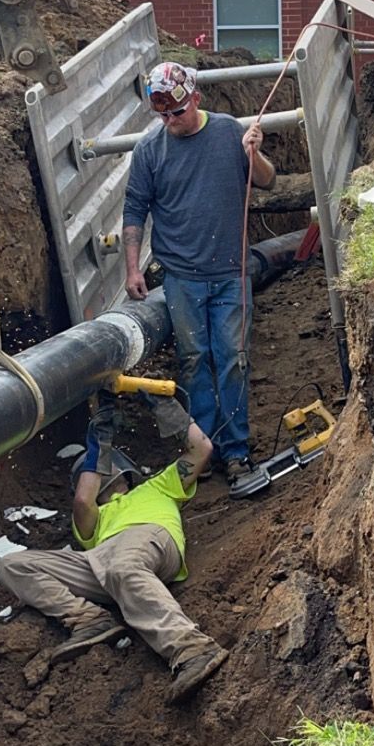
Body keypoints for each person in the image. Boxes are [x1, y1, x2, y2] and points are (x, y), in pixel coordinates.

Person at [0, 413, 228, 702]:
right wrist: (98, 443)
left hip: (147, 540)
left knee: (122, 566)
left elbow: (201, 448)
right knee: (13, 566)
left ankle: (193, 648)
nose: (99, 475)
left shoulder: (156, 486)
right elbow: (82, 501)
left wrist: (171, 409)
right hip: (102, 561)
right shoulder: (91, 517)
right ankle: (89, 619)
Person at [122, 59, 275, 488]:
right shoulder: (149, 151)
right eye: (162, 115)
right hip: (181, 276)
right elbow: (134, 209)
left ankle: (237, 453)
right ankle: (203, 447)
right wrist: (133, 267)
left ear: (196, 99)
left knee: (233, 359)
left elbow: (267, 180)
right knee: (194, 361)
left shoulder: (229, 132)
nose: (170, 121)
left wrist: (254, 153)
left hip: (231, 271)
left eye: (177, 111)